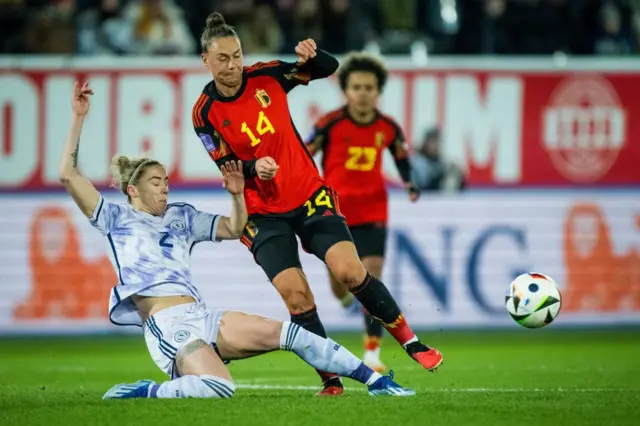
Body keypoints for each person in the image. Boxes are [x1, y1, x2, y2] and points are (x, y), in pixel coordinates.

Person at [59, 81, 415, 399]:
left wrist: (237, 194)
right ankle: (147, 391)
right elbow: (68, 174)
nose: (165, 186)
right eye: (156, 181)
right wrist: (78, 118)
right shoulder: (114, 217)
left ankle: (377, 383)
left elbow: (233, 227)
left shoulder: (181, 215)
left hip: (201, 314)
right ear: (132, 190)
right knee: (220, 387)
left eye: (166, 179)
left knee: (295, 335)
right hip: (168, 325)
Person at [191, 12, 443, 396]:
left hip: (308, 194)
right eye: (223, 59)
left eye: (237, 55)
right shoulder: (204, 113)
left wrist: (313, 54)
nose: (232, 65)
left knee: (349, 272)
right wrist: (252, 166)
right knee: (297, 296)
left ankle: (412, 343)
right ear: (205, 60)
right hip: (260, 212)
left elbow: (328, 68)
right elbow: (225, 165)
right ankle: (330, 378)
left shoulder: (268, 76)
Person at [305, 52, 419, 373]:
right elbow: (302, 153)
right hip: (334, 214)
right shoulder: (330, 123)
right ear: (346, 90)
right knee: (341, 283)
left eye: (369, 87)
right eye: (357, 87)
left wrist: (410, 183)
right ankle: (343, 298)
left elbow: (401, 157)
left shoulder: (388, 127)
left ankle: (372, 353)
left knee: (372, 278)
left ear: (378, 90)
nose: (363, 93)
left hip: (373, 211)